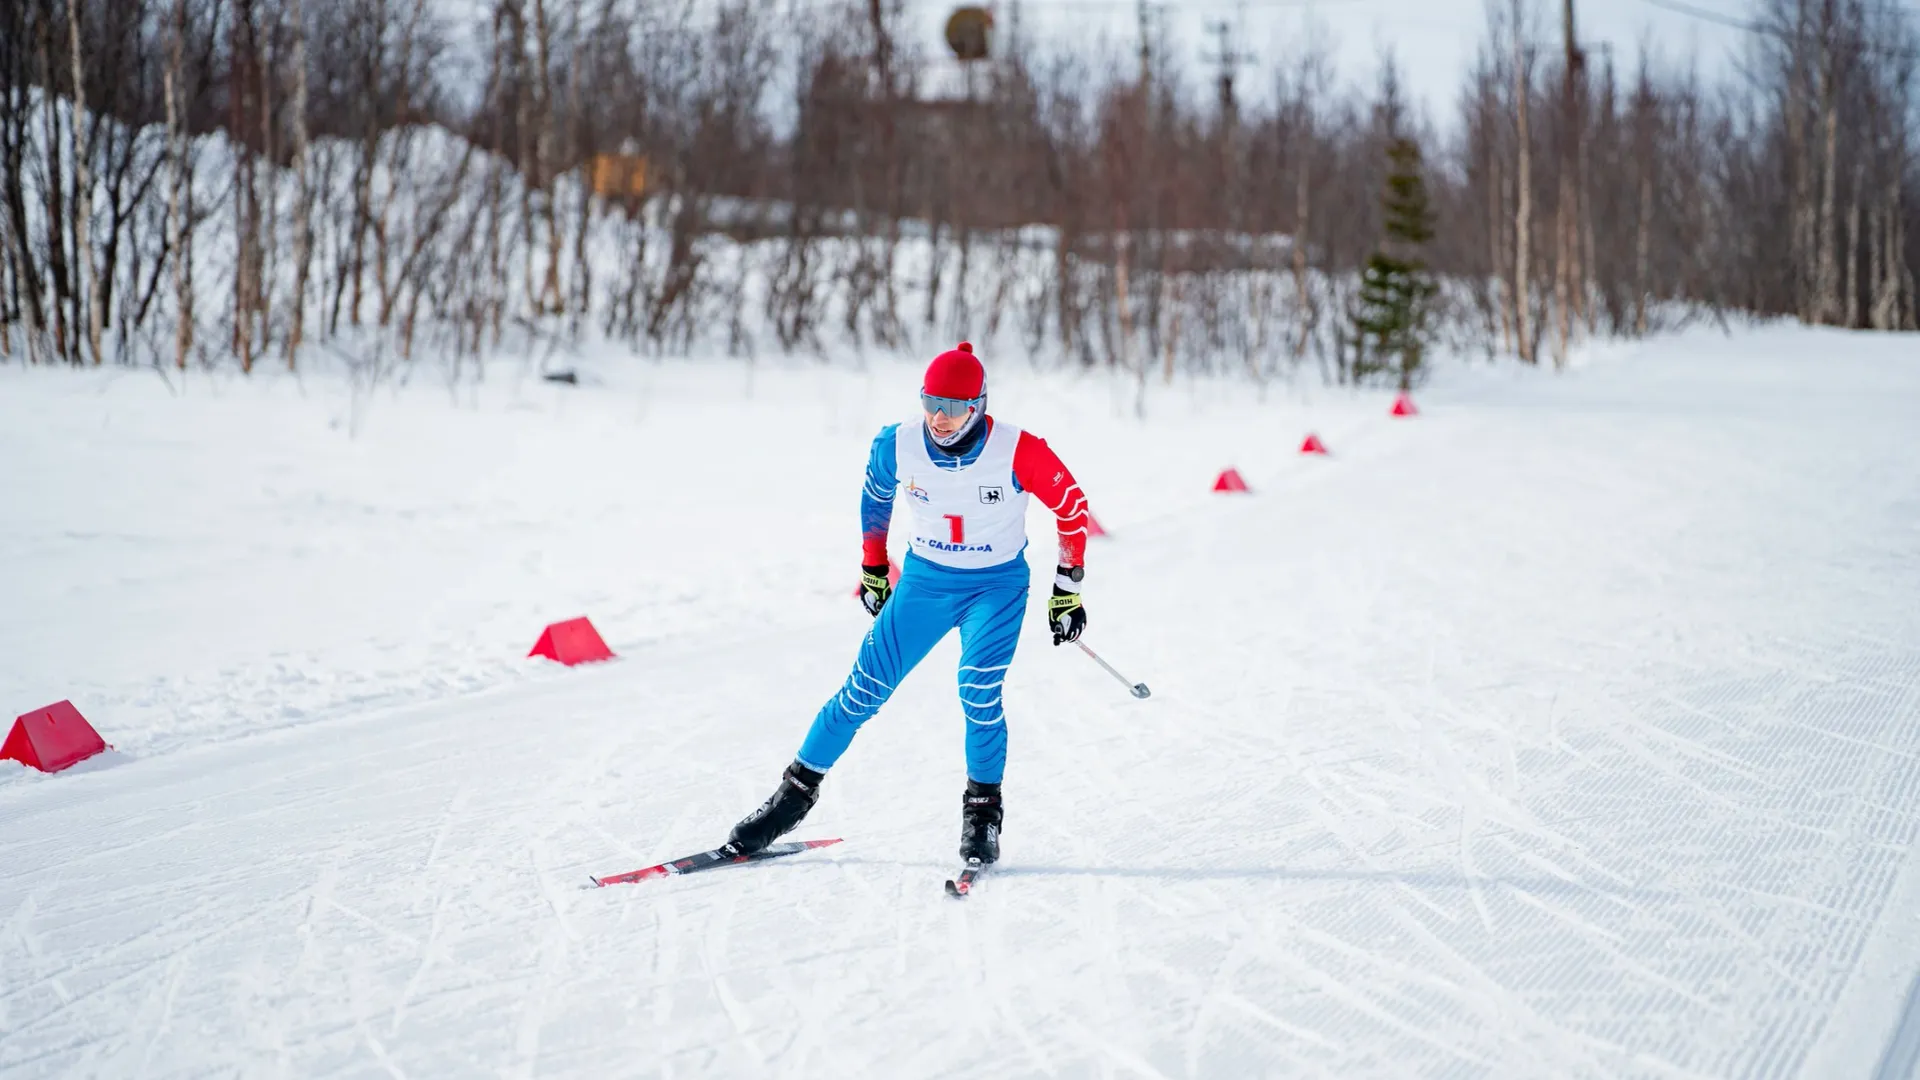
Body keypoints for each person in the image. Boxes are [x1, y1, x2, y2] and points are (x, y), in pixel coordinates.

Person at [723, 342, 1092, 865]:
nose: (940, 419)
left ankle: (982, 815)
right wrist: (873, 566)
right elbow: (875, 497)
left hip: (996, 587)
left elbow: (1072, 507)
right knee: (861, 691)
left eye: (956, 407)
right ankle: (790, 800)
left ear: (980, 405)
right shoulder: (896, 444)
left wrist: (1067, 589)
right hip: (925, 583)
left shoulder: (1020, 449)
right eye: (931, 403)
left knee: (977, 690)